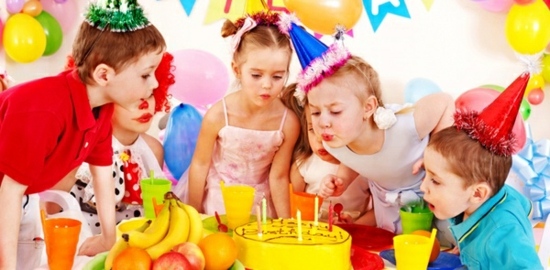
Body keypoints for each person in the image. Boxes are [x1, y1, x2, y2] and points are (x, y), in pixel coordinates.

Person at [0, 0, 166, 268]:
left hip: (20, 200)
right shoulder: (45, 111)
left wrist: (107, 238)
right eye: (146, 74)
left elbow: (102, 171)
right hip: (8, 196)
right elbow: (9, 192)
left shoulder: (101, 109)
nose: (155, 83)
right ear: (104, 75)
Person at [278, 15, 455, 235]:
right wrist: (341, 179)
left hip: (433, 191)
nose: (323, 122)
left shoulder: (404, 126)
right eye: (315, 112)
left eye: (335, 111)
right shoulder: (335, 143)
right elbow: (357, 158)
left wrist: (437, 155)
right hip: (391, 206)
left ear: (368, 108)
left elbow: (445, 101)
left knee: (449, 244)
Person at [420, 73, 543, 269]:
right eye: (426, 174)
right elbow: (524, 205)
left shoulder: (503, 233)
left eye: (435, 180)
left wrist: (493, 243)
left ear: (478, 193)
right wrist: (469, 246)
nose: (423, 187)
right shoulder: (482, 198)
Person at [187, 11, 300, 218]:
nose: (267, 85)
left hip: (262, 210)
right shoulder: (218, 115)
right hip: (219, 205)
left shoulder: (288, 122)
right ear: (237, 70)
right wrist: (192, 216)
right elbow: (200, 165)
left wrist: (287, 224)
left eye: (277, 76)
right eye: (256, 75)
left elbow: (279, 176)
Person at [64, 52, 174, 235]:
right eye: (132, 96)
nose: (144, 105)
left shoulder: (153, 150)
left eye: (150, 94)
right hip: (84, 242)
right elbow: (53, 208)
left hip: (135, 242)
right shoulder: (83, 146)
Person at [281, 83, 373, 223]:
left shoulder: (364, 167)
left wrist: (355, 225)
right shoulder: (302, 166)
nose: (320, 139)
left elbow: (380, 211)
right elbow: (295, 211)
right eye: (312, 129)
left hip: (354, 236)